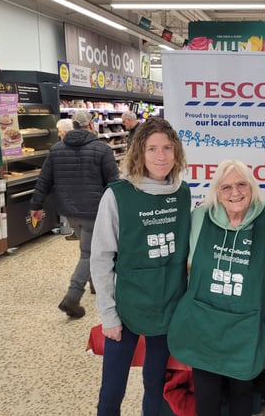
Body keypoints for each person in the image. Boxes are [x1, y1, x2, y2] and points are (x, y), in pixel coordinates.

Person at [90, 117, 191, 416]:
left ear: (176, 153)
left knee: (156, 384)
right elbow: (100, 257)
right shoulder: (118, 195)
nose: (161, 156)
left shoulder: (182, 193)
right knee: (111, 390)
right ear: (139, 153)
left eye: (167, 148)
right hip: (126, 307)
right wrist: (108, 314)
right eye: (152, 149)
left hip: (168, 307)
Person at [167, 159, 265, 416]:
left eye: (242, 184)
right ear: (216, 192)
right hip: (204, 325)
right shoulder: (199, 218)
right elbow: (183, 267)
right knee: (206, 397)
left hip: (246, 326)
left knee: (242, 396)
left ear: (252, 187)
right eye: (226, 186)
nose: (235, 192)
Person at [30, 110, 119, 318]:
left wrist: (36, 205)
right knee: (89, 253)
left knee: (87, 248)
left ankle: (96, 284)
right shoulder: (102, 149)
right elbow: (114, 183)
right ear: (90, 125)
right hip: (95, 210)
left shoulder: (56, 150)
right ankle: (72, 297)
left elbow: (44, 180)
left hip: (70, 210)